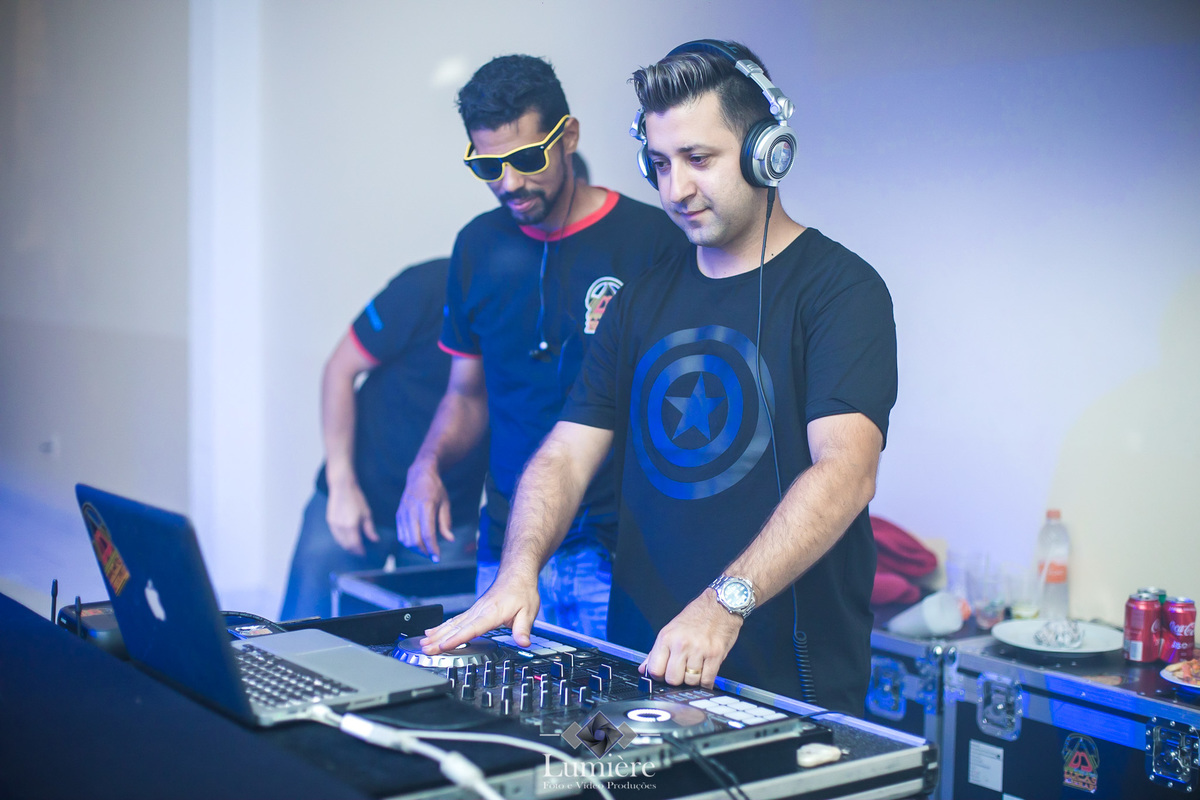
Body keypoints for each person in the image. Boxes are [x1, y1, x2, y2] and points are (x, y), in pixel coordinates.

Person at [420, 41, 897, 714]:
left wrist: (723, 605)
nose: (675, 190)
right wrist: (518, 569)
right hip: (637, 680)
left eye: (699, 159)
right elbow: (564, 453)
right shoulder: (640, 300)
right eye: (661, 164)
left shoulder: (842, 290)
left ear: (766, 151)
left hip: (785, 693)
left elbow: (846, 471)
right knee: (579, 763)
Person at [396, 55, 687, 640]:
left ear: (568, 136)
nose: (509, 183)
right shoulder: (476, 246)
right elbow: (466, 395)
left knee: (608, 703)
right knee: (502, 699)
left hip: (615, 556)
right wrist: (425, 465)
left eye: (527, 159)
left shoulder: (652, 240)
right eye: (488, 166)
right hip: (508, 551)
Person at [279, 258, 488, 621]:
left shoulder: (533, 314)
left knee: (435, 648)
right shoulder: (424, 286)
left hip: (447, 517)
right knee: (301, 637)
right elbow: (340, 370)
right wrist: (341, 485)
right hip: (356, 494)